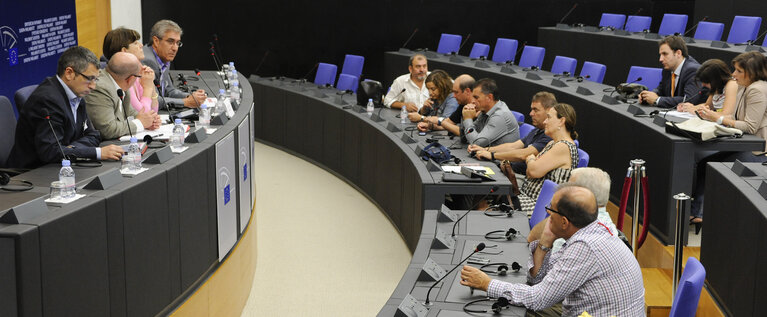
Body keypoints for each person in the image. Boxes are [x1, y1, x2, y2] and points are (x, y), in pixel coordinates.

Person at [459, 184, 645, 316]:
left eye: (551, 210)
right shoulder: (589, 231)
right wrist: (545, 242)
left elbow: (539, 298)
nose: (547, 213)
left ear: (564, 222)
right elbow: (538, 279)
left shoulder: (586, 247)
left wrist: (487, 284)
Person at [7, 46, 123, 169]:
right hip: (33, 173)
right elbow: (50, 151)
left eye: (96, 79)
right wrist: (97, 153)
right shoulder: (47, 100)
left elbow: (93, 135)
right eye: (90, 79)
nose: (93, 86)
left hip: (63, 164)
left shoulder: (77, 93)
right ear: (69, 73)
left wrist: (70, 149)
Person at [690, 51, 767, 229]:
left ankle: (711, 218)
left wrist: (717, 119)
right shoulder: (744, 86)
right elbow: (732, 116)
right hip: (745, 143)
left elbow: (749, 126)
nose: (733, 74)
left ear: (752, 72)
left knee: (714, 168)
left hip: (759, 150)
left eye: (739, 71)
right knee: (705, 163)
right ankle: (698, 213)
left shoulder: (757, 89)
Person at [528, 167, 620, 253]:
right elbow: (532, 238)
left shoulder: (579, 227)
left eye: (569, 187)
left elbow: (531, 241)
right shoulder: (602, 223)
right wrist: (556, 214)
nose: (563, 191)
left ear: (582, 195)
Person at [468, 91, 556, 173]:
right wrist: (485, 149)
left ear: (549, 111)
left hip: (519, 176)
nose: (531, 113)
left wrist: (492, 155)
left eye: (535, 110)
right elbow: (513, 146)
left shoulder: (550, 136)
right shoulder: (538, 129)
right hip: (507, 168)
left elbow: (524, 154)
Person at [517, 103, 579, 214]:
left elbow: (533, 170)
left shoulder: (564, 146)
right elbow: (529, 172)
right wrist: (531, 162)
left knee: (491, 206)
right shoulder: (552, 143)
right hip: (526, 197)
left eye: (549, 117)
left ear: (561, 121)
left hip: (537, 207)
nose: (545, 122)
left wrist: (530, 159)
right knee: (492, 199)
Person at [84, 52, 162, 140]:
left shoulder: (120, 82)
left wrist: (148, 120)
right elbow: (107, 130)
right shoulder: (100, 88)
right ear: (131, 79)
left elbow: (130, 112)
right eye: (138, 77)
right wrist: (140, 123)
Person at [142, 19, 206, 108]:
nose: (175, 48)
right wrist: (185, 102)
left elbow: (169, 90)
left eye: (177, 43)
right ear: (156, 41)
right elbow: (154, 100)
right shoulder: (147, 61)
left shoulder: (163, 57)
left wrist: (191, 96)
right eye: (170, 42)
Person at [638, 35, 707, 108]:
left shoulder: (693, 70)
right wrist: (648, 95)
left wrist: (657, 100)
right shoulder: (668, 68)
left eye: (665, 54)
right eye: (660, 55)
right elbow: (661, 89)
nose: (660, 59)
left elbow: (689, 100)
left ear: (678, 53)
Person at [103, 27, 159, 113]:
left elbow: (154, 110)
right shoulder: (122, 77)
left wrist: (150, 83)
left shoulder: (139, 71)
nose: (141, 45)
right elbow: (142, 114)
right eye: (135, 43)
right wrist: (148, 87)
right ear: (124, 51)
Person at [461, 78, 519, 147]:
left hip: (500, 157)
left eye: (476, 97)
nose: (472, 101)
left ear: (489, 97)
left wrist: (468, 119)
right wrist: (468, 117)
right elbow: (464, 138)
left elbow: (476, 143)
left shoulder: (500, 116)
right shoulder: (485, 111)